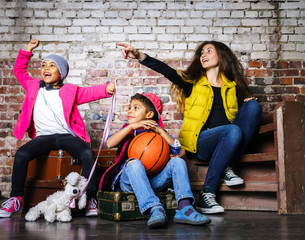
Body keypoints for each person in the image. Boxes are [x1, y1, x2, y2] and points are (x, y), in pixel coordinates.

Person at [117, 42, 262, 214]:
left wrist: (248, 104)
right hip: (200, 142)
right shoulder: (192, 83)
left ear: (222, 55)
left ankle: (228, 166)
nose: (203, 55)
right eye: (201, 52)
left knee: (252, 107)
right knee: (233, 130)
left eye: (209, 51)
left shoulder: (232, 87)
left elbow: (241, 120)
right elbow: (167, 70)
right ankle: (208, 194)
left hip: (228, 142)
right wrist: (139, 55)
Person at [0, 39, 115, 218]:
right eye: (44, 65)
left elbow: (89, 92)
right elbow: (19, 71)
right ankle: (16, 199)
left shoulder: (69, 90)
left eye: (52, 66)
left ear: (61, 72)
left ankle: (90, 199)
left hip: (66, 135)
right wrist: (28, 50)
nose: (46, 68)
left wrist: (106, 89)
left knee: (86, 153)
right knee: (22, 154)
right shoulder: (33, 87)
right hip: (43, 137)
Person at [99, 92, 211, 228]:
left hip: (153, 182)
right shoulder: (128, 130)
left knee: (178, 161)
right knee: (134, 163)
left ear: (149, 115)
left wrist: (161, 132)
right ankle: (155, 208)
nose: (129, 110)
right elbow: (109, 143)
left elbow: (176, 149)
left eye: (136, 108)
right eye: (129, 107)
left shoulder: (157, 134)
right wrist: (130, 127)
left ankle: (184, 208)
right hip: (129, 182)